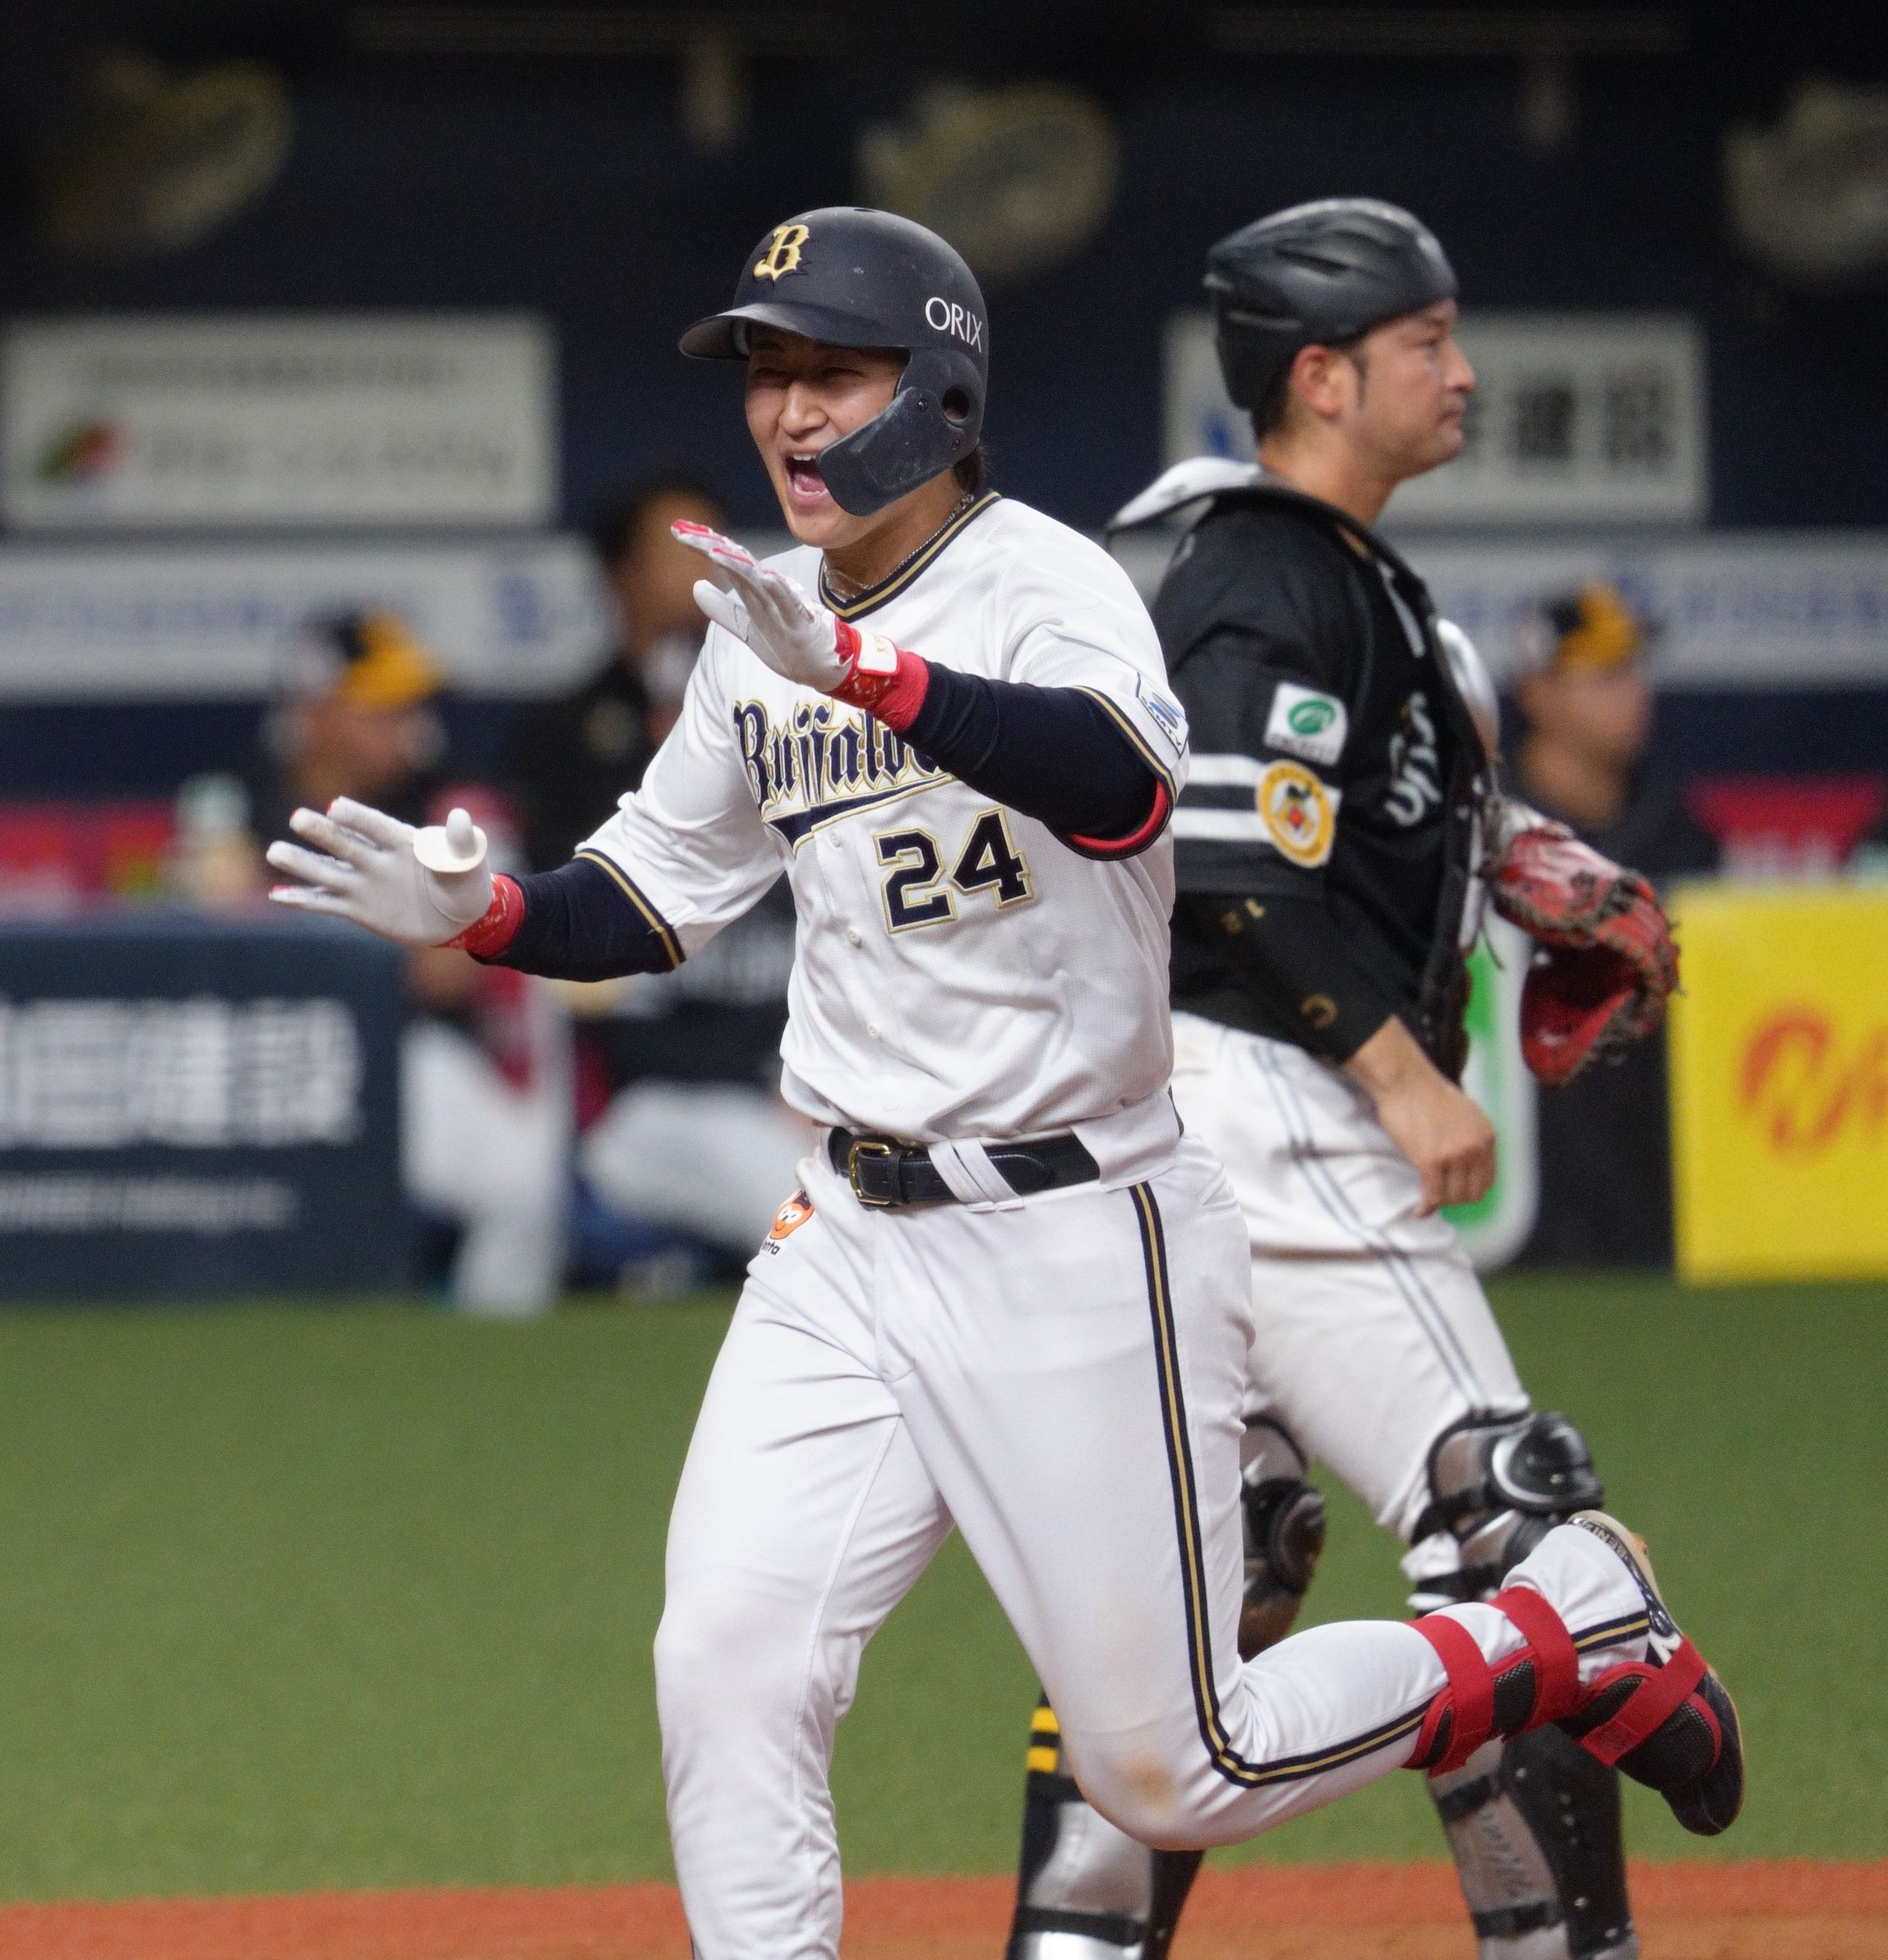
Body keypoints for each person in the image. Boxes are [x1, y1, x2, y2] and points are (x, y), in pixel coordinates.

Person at [267, 206, 1738, 1960]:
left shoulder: (1045, 581)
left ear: (940, 388)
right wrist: (488, 911)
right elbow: (648, 896)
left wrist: (873, 674)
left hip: (1075, 1224)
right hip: (845, 1238)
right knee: (726, 1663)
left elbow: (1120, 788)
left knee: (1172, 1769)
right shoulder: (762, 622)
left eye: (832, 369)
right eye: (765, 371)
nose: (787, 408)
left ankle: (1565, 1625)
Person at [1012, 202, 1687, 1960]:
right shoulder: (1269, 564)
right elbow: (1237, 868)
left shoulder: (1277, 571)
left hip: (1143, 1119)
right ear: (1320, 378)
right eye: (1423, 343)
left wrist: (1509, 858)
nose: (1459, 374)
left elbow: (1305, 815)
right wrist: (1400, 1075)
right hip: (1265, 1094)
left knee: (1212, 1567)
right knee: (1513, 1521)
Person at [515, 475, 806, 1263]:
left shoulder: (793, 722)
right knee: (813, 1218)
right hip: (653, 1092)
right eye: (675, 552)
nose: (699, 571)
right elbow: (581, 960)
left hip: (785, 1082)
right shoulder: (572, 741)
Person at [264, 610, 566, 1313]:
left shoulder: (446, 807)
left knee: (520, 1188)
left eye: (410, 704)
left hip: (402, 1049)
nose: (409, 724)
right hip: (271, 1058)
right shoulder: (243, 805)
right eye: (380, 707)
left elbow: (446, 972)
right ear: (315, 713)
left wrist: (300, 938)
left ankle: (487, 1351)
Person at [1509, 583, 1716, 1270]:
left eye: (1634, 669)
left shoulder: (1678, 832)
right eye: (1605, 674)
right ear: (1538, 693)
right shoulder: (1484, 832)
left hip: (1659, 1208)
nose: (1633, 693)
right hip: (1516, 1215)